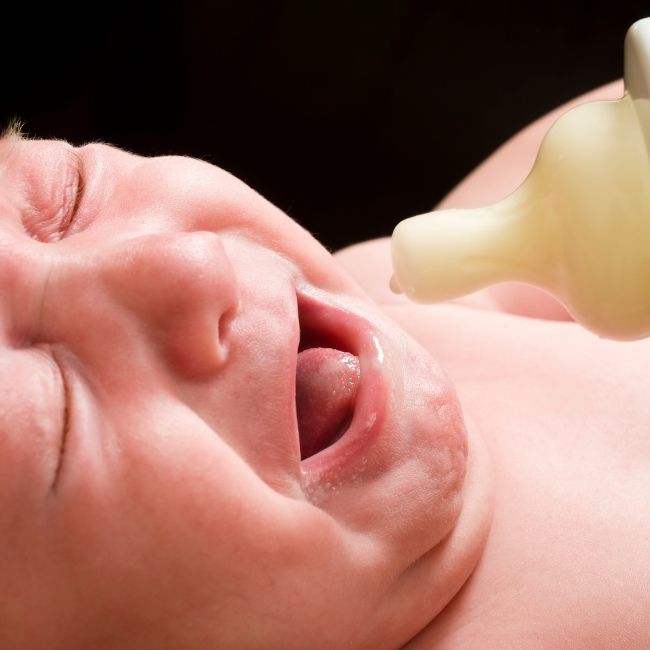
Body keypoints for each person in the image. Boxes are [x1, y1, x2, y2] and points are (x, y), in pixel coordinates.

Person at [0, 79, 648, 650]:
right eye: (61, 416)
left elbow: (595, 175)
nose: (187, 264)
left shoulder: (413, 299)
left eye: (64, 200)